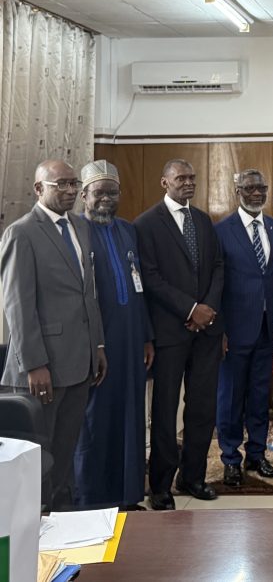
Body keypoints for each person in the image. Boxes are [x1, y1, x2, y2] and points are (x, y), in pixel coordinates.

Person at [0, 160, 106, 510]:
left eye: (74, 183)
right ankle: (35, 529)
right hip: (42, 370)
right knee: (38, 459)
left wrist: (98, 346)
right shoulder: (22, 232)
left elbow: (87, 293)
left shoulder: (80, 226)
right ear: (39, 189)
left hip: (79, 363)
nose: (71, 190)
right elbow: (17, 305)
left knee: (65, 453)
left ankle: (63, 520)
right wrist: (34, 364)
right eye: (61, 184)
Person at [135, 159, 224, 510]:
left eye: (192, 177)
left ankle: (194, 476)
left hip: (206, 332)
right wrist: (190, 310)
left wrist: (207, 311)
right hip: (170, 332)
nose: (188, 183)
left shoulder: (202, 219)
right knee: (165, 409)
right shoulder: (145, 224)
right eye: (180, 178)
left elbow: (218, 267)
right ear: (164, 181)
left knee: (202, 408)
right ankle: (160, 486)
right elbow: (151, 278)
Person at [73, 160, 153, 510]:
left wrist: (147, 336)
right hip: (95, 342)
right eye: (99, 192)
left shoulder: (127, 230)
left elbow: (140, 287)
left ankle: (128, 493)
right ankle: (91, 496)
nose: (106, 198)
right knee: (94, 419)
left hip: (131, 339)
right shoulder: (74, 232)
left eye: (112, 191)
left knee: (131, 414)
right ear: (84, 195)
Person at [214, 169, 273, 487]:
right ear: (237, 191)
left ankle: (257, 455)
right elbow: (215, 285)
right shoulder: (221, 231)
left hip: (265, 329)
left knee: (260, 396)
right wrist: (220, 330)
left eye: (261, 187)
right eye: (250, 187)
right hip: (233, 330)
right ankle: (231, 458)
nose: (256, 193)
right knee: (230, 397)